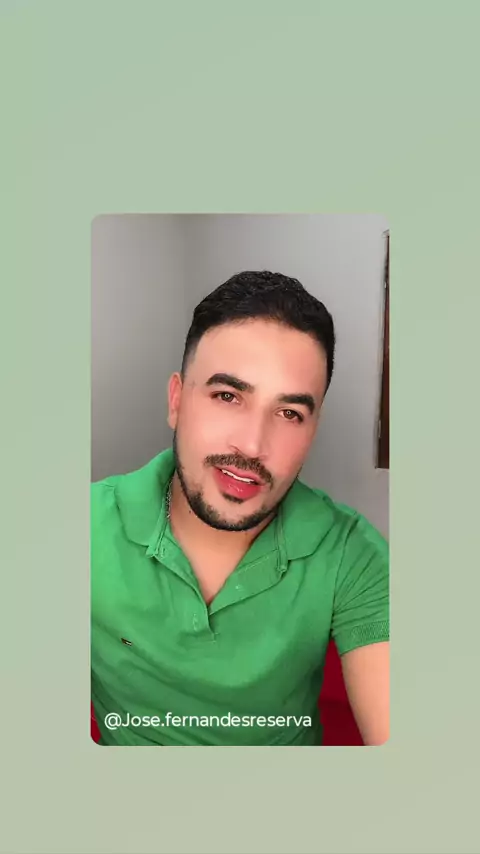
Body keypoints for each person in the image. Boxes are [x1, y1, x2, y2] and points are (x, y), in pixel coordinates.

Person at [91, 270, 389, 746]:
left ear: (313, 429)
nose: (252, 446)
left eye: (289, 413)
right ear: (176, 401)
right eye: (227, 396)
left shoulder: (353, 554)